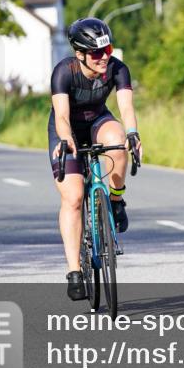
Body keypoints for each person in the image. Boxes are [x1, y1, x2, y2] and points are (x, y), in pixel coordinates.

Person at [49, 18, 142, 300]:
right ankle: (75, 270)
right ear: (80, 54)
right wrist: (66, 140)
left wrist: (133, 133)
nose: (105, 57)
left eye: (108, 49)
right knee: (74, 198)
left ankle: (115, 200)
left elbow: (125, 107)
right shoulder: (64, 72)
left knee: (118, 143)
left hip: (98, 120)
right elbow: (62, 116)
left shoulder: (117, 68)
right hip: (66, 131)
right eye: (97, 53)